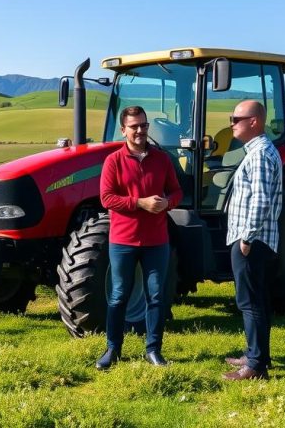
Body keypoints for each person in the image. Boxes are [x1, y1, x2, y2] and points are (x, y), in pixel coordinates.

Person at [96, 105, 183, 370]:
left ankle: (153, 350)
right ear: (124, 130)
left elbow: (177, 192)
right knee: (119, 295)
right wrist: (140, 203)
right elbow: (107, 198)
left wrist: (167, 203)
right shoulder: (114, 161)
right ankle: (113, 348)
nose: (140, 131)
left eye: (143, 125)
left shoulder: (162, 159)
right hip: (123, 240)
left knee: (156, 296)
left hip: (157, 241)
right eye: (134, 127)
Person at [222, 100, 282, 381]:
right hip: (253, 237)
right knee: (255, 298)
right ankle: (256, 353)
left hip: (252, 239)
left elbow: (261, 199)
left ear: (254, 121)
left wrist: (246, 237)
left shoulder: (259, 155)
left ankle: (256, 365)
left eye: (236, 118)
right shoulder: (258, 151)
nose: (231, 122)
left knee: (250, 301)